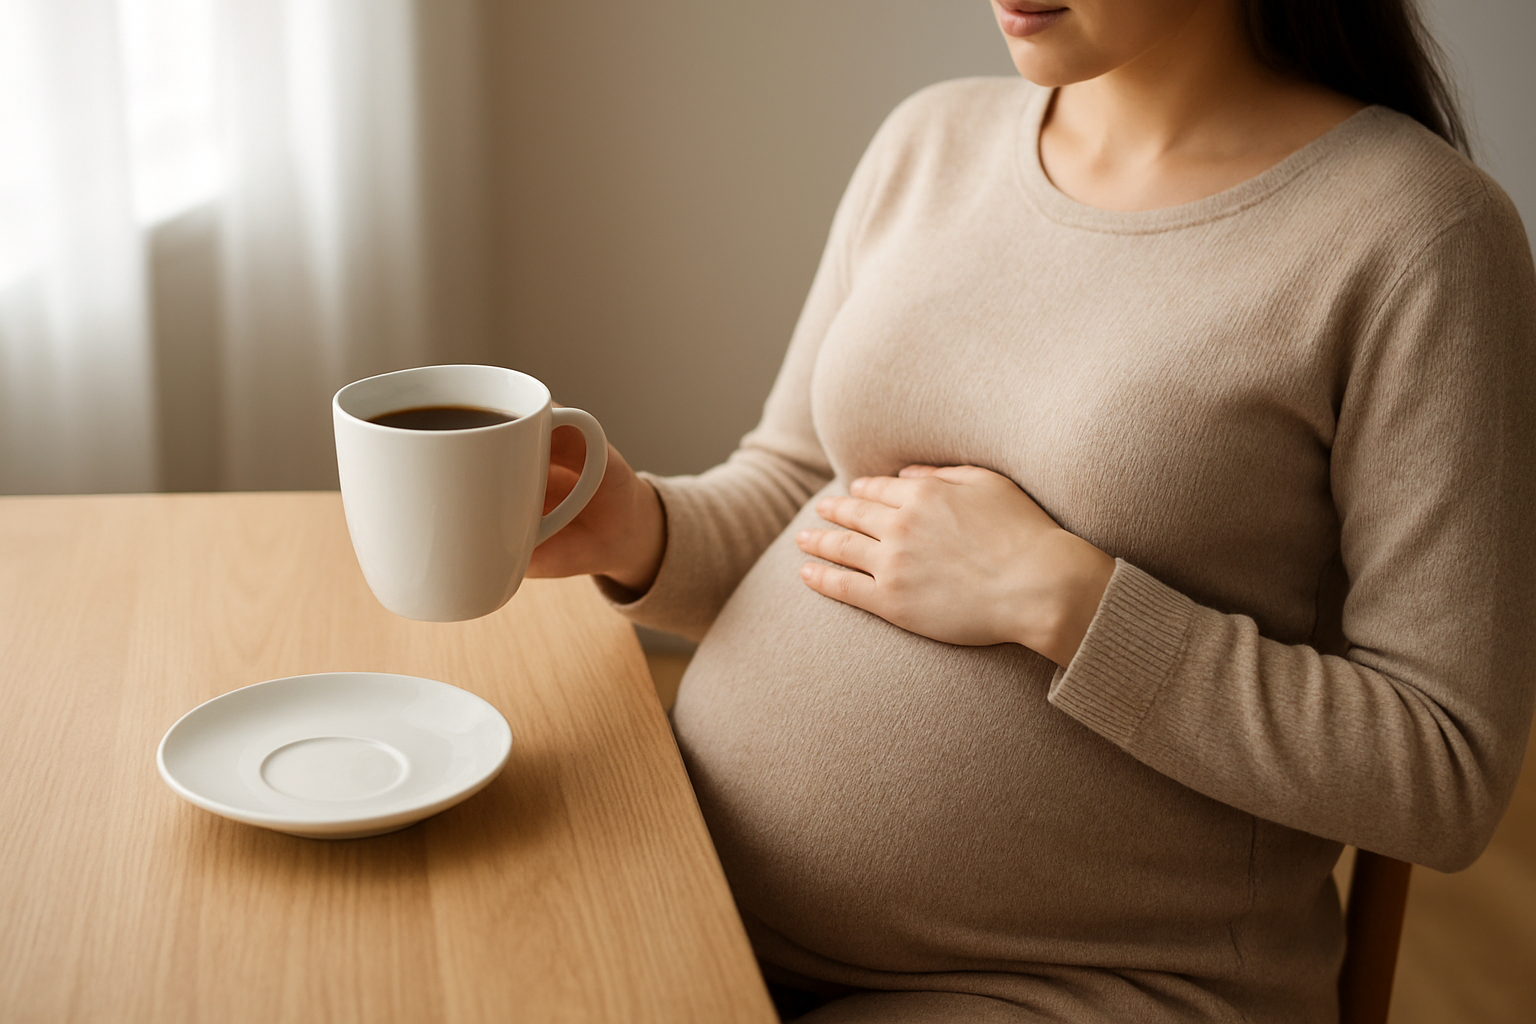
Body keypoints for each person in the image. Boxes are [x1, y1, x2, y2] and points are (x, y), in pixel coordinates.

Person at [529, 1, 1536, 1020]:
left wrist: (1068, 601)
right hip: (698, 888)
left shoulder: (1418, 236)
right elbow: (799, 489)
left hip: (1080, 986)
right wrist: (635, 528)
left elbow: (1443, 768)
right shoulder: (930, 141)